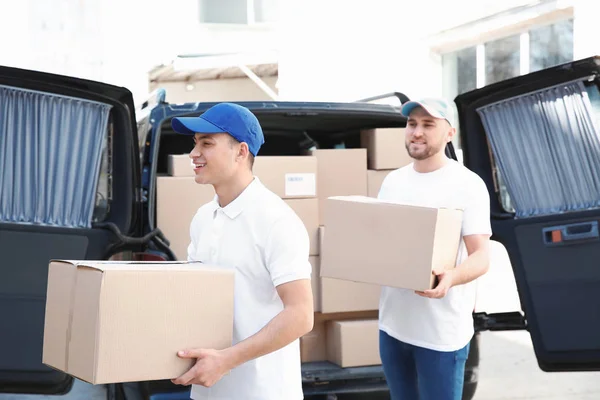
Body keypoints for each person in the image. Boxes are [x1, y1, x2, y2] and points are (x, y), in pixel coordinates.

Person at [169, 102, 314, 400]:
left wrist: (226, 360)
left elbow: (300, 315)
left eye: (207, 143)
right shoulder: (203, 218)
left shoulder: (276, 221)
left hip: (262, 392)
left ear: (241, 152)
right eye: (195, 144)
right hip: (208, 389)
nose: (194, 154)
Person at [377, 98, 492, 400]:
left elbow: (481, 256)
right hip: (393, 327)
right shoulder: (393, 182)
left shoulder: (468, 184)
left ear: (450, 133)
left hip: (441, 335)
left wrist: (451, 277)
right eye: (412, 123)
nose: (417, 132)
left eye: (428, 125)